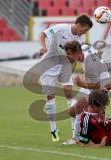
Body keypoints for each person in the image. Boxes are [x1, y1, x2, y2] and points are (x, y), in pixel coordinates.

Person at [38, 14, 93, 142]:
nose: (84, 33)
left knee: (69, 93)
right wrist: (43, 46)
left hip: (64, 65)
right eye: (84, 29)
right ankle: (53, 129)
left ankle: (74, 129)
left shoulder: (81, 38)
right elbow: (42, 34)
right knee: (50, 97)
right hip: (48, 64)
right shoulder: (60, 28)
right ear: (79, 24)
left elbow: (76, 56)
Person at [62, 41, 111, 144]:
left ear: (77, 53)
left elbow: (96, 86)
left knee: (79, 107)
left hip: (101, 87)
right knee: (72, 111)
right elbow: (98, 50)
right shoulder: (84, 47)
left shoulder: (90, 66)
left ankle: (77, 138)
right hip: (91, 83)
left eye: (69, 54)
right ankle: (95, 124)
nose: (67, 57)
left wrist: (80, 84)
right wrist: (99, 55)